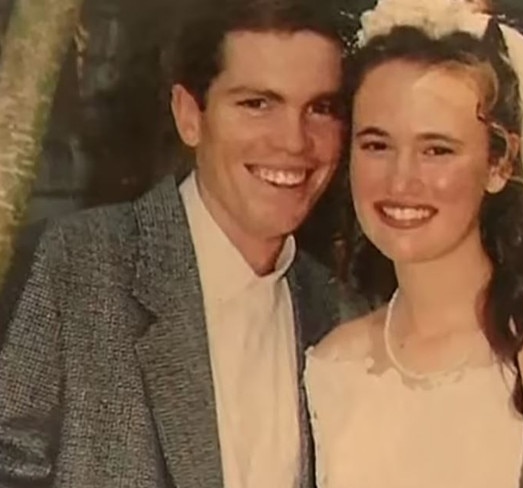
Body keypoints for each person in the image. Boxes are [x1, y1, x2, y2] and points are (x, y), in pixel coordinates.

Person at [0, 0, 368, 486]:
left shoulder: (341, 314)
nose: (294, 142)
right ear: (189, 115)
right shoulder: (80, 265)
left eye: (320, 108)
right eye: (258, 103)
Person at [304, 1, 523, 487]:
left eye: (437, 150)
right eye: (377, 145)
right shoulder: (332, 367)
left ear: (498, 164)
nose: (401, 180)